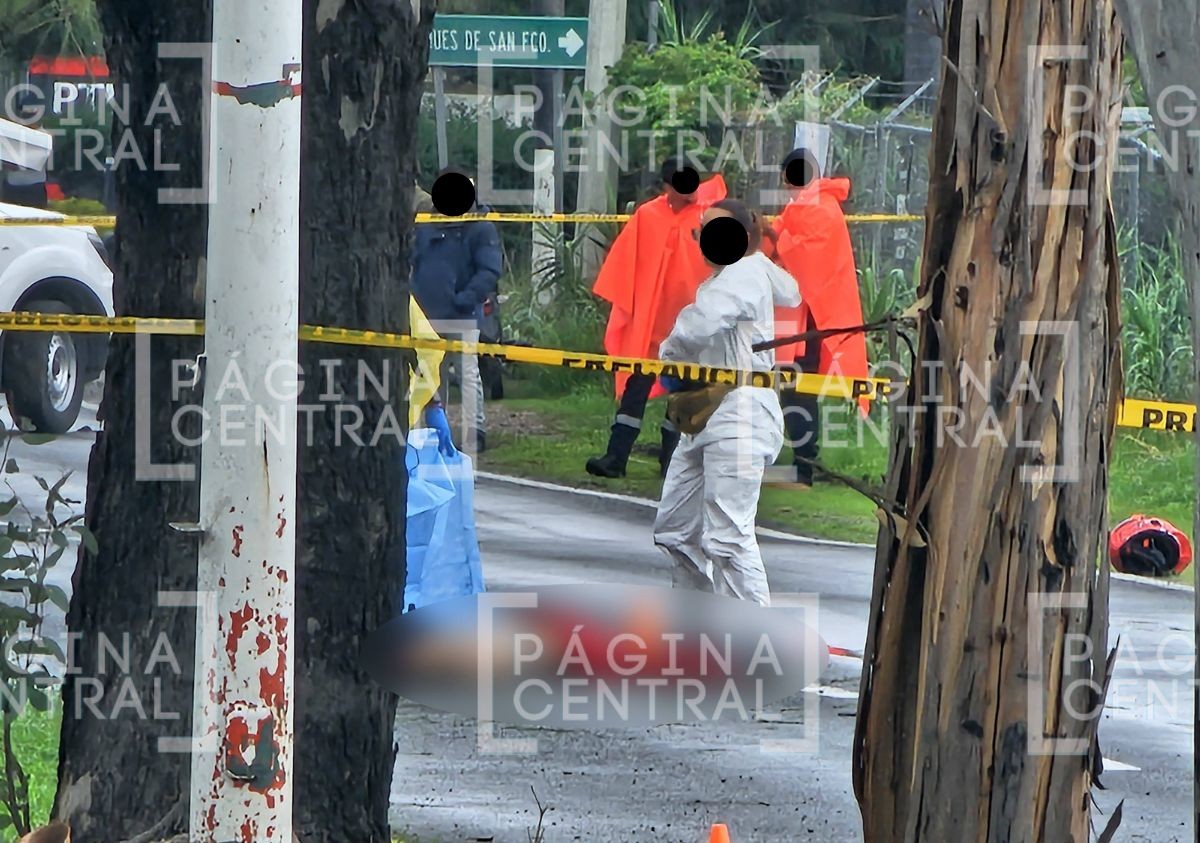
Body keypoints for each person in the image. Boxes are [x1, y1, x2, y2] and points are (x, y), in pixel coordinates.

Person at [652, 199, 801, 606]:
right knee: (675, 530)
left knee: (729, 538)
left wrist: (667, 353)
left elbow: (703, 322)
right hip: (707, 412)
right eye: (702, 231)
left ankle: (756, 647)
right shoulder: (730, 277)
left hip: (742, 414)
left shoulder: (745, 272)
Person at [587, 157, 727, 478]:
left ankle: (672, 464)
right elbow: (625, 263)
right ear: (667, 187)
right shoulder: (647, 216)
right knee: (635, 389)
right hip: (650, 325)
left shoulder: (709, 216)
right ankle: (616, 456)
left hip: (691, 324)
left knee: (682, 395)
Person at [768, 148, 869, 486]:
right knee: (792, 387)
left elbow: (803, 257)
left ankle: (804, 463)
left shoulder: (821, 209)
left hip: (811, 319)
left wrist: (776, 238)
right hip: (800, 317)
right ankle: (799, 461)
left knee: (799, 387)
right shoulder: (808, 206)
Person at [411, 170, 502, 453]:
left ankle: (475, 431)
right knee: (430, 374)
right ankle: (435, 430)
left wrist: (465, 298)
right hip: (426, 315)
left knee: (467, 372)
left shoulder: (480, 226)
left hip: (461, 314)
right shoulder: (427, 222)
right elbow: (413, 258)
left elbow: (489, 270)